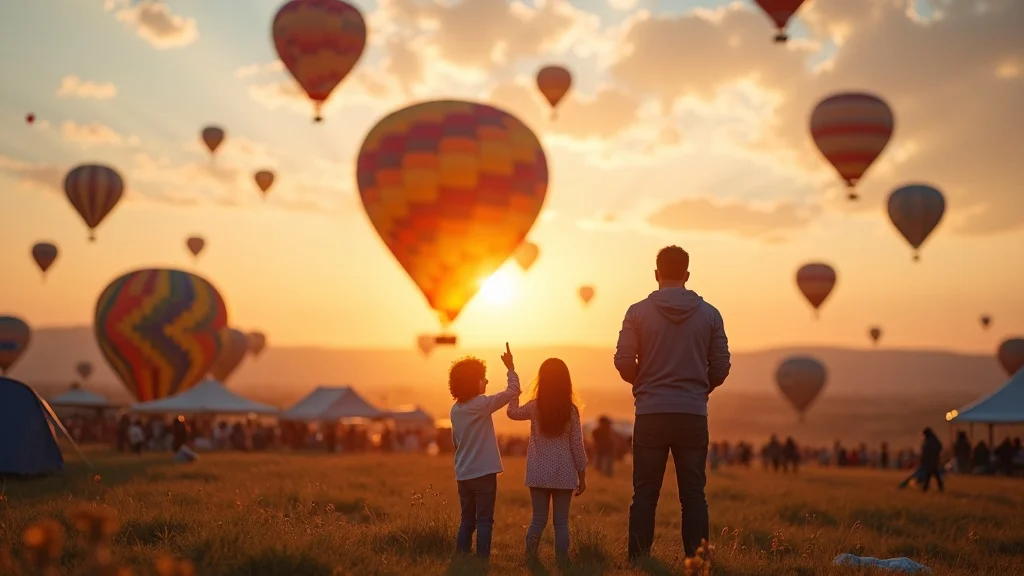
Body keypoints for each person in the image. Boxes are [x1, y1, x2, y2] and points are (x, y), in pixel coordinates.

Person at [614, 245, 731, 562]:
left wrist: (643, 384)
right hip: (692, 414)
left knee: (644, 495)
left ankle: (638, 560)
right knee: (694, 495)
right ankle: (698, 560)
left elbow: (624, 359)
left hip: (651, 413)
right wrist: (698, 390)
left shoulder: (637, 312)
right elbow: (721, 365)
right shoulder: (710, 314)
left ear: (656, 274)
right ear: (687, 274)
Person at [505, 354, 588, 563]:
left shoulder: (534, 407)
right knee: (561, 523)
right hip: (564, 473)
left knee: (538, 519)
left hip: (538, 473)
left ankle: (530, 557)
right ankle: (562, 560)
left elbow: (512, 413)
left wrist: (514, 381)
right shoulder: (571, 411)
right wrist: (582, 475)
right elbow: (577, 446)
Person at [448, 347, 520, 559]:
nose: (486, 382)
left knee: (467, 520)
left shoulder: (455, 409)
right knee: (485, 521)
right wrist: (511, 369)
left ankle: (461, 558)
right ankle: (481, 560)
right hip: (484, 473)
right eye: (483, 378)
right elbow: (512, 391)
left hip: (463, 473)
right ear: (472, 381)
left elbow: (455, 442)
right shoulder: (481, 404)